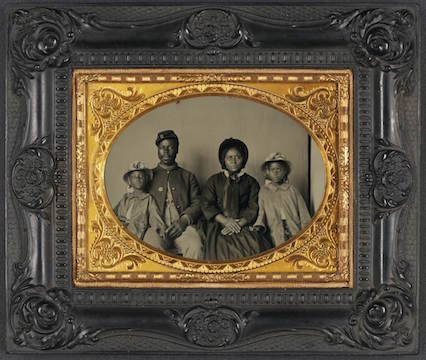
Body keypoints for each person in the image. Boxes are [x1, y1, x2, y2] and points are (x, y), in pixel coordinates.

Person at [201, 138, 272, 261]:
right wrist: (226, 221)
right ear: (223, 159)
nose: (234, 161)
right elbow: (207, 205)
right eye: (229, 157)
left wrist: (238, 224)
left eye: (238, 157)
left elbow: (253, 206)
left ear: (243, 159)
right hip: (219, 224)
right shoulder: (214, 180)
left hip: (242, 223)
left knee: (254, 247)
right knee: (219, 250)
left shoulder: (251, 182)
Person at [147, 130, 203, 260]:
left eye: (171, 147)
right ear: (157, 150)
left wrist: (183, 221)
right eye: (162, 147)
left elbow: (199, 202)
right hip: (155, 228)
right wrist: (155, 224)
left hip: (183, 227)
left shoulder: (188, 176)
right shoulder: (148, 175)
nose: (166, 151)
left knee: (196, 246)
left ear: (177, 150)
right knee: (151, 248)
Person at [254, 152, 311, 246]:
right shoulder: (264, 191)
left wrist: (305, 231)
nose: (275, 172)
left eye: (278, 169)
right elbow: (261, 212)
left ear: (285, 171)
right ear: (268, 172)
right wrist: (259, 225)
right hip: (275, 230)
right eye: (272, 169)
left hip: (294, 228)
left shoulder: (292, 190)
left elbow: (303, 212)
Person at [114, 161, 167, 249]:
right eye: (134, 177)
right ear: (129, 181)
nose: (138, 178)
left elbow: (155, 217)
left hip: (138, 231)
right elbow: (114, 214)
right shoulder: (125, 198)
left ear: (146, 180)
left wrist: (160, 230)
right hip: (122, 231)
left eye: (141, 176)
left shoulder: (148, 199)